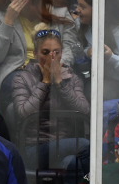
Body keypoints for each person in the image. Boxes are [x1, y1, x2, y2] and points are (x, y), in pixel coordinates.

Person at [0, 0, 79, 95]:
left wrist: (54, 69)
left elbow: (69, 49)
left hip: (54, 70)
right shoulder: (2, 18)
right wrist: (8, 22)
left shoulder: (59, 14)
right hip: (17, 72)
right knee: (26, 86)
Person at [11, 23, 90, 165]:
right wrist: (45, 82)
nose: (51, 58)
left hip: (66, 144)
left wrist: (60, 84)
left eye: (56, 52)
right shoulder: (21, 78)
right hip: (34, 147)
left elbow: (84, 110)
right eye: (45, 52)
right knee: (87, 146)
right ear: (35, 54)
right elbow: (23, 113)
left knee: (71, 163)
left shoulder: (71, 78)